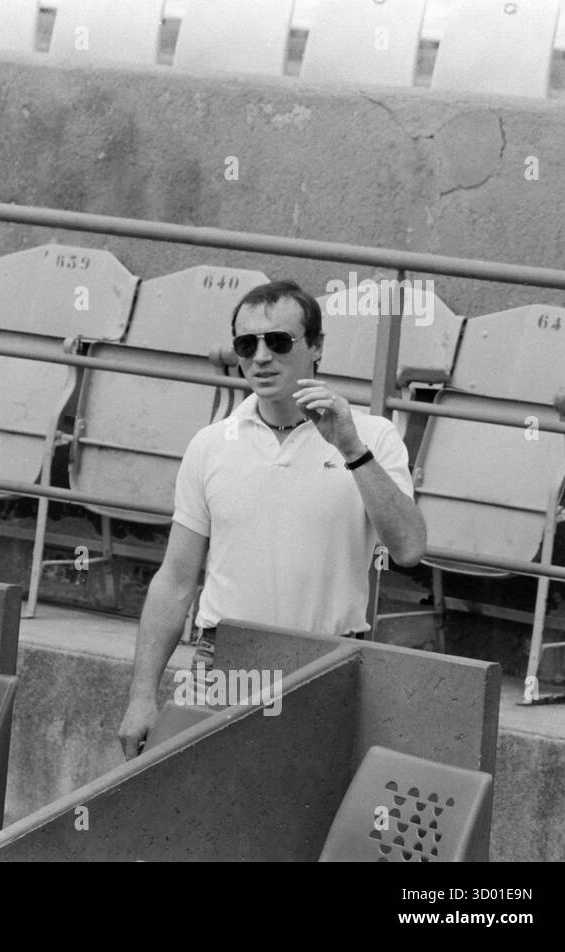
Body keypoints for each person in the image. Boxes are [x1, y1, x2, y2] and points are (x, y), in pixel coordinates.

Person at [118, 280, 427, 758]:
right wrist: (142, 696)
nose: (261, 356)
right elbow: (176, 579)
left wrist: (350, 449)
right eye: (247, 344)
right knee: (207, 813)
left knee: (305, 820)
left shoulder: (371, 436)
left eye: (279, 342)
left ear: (317, 347)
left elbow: (408, 548)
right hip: (223, 657)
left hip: (326, 659)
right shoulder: (211, 444)